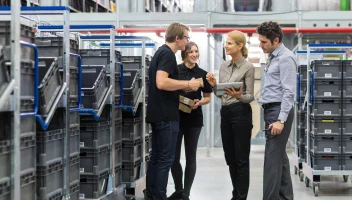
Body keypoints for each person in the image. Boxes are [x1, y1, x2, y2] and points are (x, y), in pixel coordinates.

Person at [145, 22, 202, 200]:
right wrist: (187, 84)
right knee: (165, 160)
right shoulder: (169, 55)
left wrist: (180, 89)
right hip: (166, 116)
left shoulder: (160, 52)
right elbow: (161, 82)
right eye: (186, 38)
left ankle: (152, 196)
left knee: (156, 159)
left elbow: (164, 84)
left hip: (158, 113)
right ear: (177, 38)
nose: (187, 42)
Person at [206, 30, 254, 200]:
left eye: (229, 43)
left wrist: (238, 96)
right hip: (225, 113)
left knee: (241, 159)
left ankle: (240, 197)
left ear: (240, 46)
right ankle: (236, 193)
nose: (226, 46)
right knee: (230, 158)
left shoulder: (248, 67)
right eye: (226, 43)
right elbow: (221, 94)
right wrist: (213, 86)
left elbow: (250, 96)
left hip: (241, 113)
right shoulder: (223, 66)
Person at [168, 42, 213, 200]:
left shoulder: (203, 74)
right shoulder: (175, 71)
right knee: (173, 157)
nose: (194, 54)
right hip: (176, 119)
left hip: (194, 119)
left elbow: (207, 97)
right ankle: (178, 190)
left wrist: (200, 102)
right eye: (191, 52)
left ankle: (186, 193)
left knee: (190, 157)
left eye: (196, 51)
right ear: (184, 54)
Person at [256, 21, 296, 200]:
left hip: (279, 111)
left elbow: (289, 91)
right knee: (280, 158)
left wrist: (281, 120)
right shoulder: (273, 56)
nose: (260, 45)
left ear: (276, 40)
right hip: (271, 109)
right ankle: (286, 197)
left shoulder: (285, 58)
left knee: (271, 160)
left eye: (264, 42)